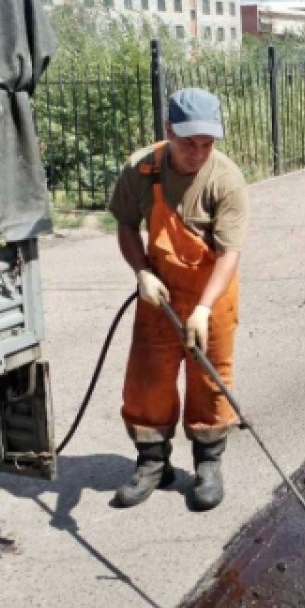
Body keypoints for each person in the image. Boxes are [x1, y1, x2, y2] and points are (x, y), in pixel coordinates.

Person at [107, 88, 249, 512]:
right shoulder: (141, 169)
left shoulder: (226, 180)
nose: (199, 153)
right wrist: (143, 273)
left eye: (208, 144)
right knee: (147, 380)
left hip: (212, 294)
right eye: (190, 143)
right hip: (160, 295)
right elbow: (127, 227)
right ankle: (153, 463)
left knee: (210, 381)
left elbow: (229, 255)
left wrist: (204, 309)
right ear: (169, 131)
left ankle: (207, 465)